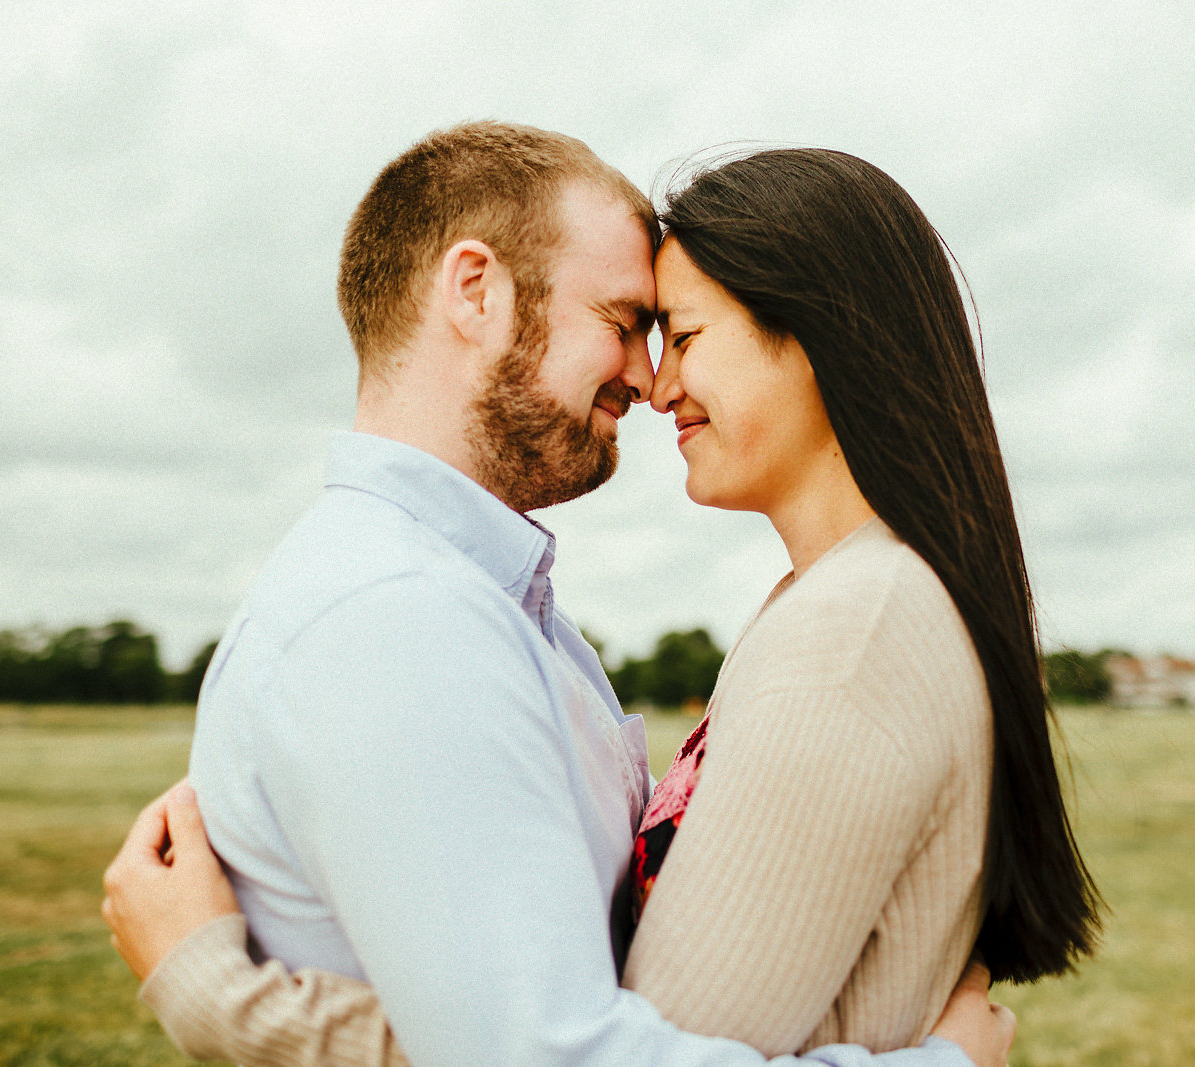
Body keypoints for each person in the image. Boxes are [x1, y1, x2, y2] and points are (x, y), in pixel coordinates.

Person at [104, 122, 1016, 1067]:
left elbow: (540, 1028)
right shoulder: (398, 620)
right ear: (476, 291)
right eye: (624, 323)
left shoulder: (500, 611)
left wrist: (228, 1001)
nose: (646, 379)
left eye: (673, 334)